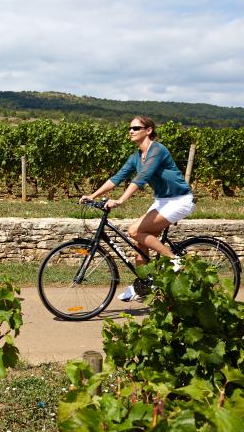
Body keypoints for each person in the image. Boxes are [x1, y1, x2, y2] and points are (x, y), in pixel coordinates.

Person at [80, 115, 195, 301]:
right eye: (130, 128)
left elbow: (141, 177)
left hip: (179, 200)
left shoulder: (157, 150)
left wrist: (120, 201)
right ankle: (143, 285)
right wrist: (92, 196)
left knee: (134, 230)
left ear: (148, 130)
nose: (131, 131)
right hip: (162, 200)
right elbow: (116, 178)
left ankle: (175, 260)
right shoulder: (136, 157)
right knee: (140, 242)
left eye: (135, 128)